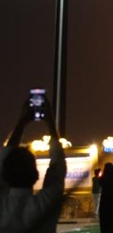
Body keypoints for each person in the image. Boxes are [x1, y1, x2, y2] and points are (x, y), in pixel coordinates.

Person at [0, 95, 66, 233]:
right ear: (36, 175)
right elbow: (58, 166)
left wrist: (22, 120)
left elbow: (57, 165)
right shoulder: (45, 204)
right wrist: (50, 121)